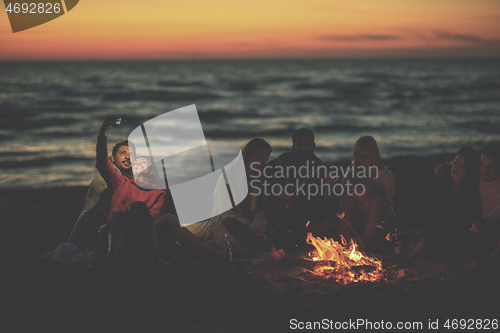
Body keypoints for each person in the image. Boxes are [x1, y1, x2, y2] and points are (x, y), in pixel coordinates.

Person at [170, 138, 285, 262]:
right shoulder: (228, 177)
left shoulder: (260, 179)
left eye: (265, 160)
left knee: (277, 217)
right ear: (249, 155)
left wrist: (259, 224)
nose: (262, 163)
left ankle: (266, 245)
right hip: (233, 225)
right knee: (228, 222)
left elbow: (261, 208)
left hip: (250, 228)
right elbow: (225, 212)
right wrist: (250, 225)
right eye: (260, 158)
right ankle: (259, 250)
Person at [94, 118, 166, 267]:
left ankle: (156, 258)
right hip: (111, 236)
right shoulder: (121, 183)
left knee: (139, 207)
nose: (137, 162)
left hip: (136, 240)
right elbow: (102, 163)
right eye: (136, 162)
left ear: (151, 169)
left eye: (142, 162)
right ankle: (112, 256)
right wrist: (102, 132)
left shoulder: (158, 193)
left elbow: (151, 220)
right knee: (120, 215)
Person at [405, 146, 481, 263]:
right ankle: (419, 244)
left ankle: (417, 251)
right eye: (455, 163)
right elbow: (423, 201)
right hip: (430, 232)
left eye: (462, 167)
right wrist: (417, 225)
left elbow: (458, 223)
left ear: (469, 171)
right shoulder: (442, 179)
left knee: (439, 210)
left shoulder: (469, 193)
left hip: (451, 238)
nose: (456, 168)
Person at [266, 128, 335, 252]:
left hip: (307, 217)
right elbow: (264, 173)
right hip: (281, 213)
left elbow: (328, 201)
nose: (304, 148)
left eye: (307, 144)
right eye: (299, 145)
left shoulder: (320, 168)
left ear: (313, 146)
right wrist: (278, 190)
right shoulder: (284, 159)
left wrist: (324, 222)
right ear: (294, 147)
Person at [67, 139, 136, 249]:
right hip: (115, 229)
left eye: (131, 154)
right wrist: (69, 244)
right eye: (122, 153)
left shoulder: (144, 179)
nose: (127, 157)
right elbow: (86, 214)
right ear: (112, 158)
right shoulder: (102, 182)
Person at [339, 135, 395, 251]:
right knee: (348, 200)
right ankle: (344, 241)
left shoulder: (386, 176)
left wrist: (372, 194)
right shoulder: (351, 174)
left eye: (367, 157)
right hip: (357, 219)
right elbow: (342, 202)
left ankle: (366, 241)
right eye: (360, 157)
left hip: (378, 222)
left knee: (374, 197)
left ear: (374, 156)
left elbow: (388, 208)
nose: (363, 161)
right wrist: (353, 193)